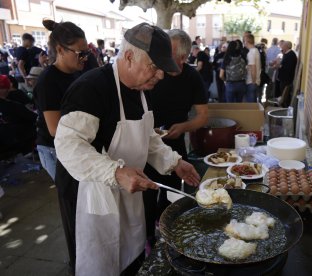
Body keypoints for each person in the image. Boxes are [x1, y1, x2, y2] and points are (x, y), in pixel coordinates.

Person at [54, 23, 200, 276]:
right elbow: (69, 145)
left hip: (127, 189)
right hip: (89, 195)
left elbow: (148, 139)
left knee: (129, 255)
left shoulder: (141, 91)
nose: (161, 76)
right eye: (155, 67)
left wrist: (174, 162)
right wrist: (116, 173)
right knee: (96, 262)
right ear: (130, 56)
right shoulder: (91, 88)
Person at [33, 18, 89, 275]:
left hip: (77, 146)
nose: (84, 58)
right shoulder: (48, 82)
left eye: (87, 53)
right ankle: (78, 263)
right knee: (72, 206)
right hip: (56, 151)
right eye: (80, 53)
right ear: (60, 50)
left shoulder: (78, 73)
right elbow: (56, 129)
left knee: (83, 205)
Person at [143, 29, 208, 247]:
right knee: (146, 196)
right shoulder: (152, 72)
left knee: (170, 195)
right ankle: (147, 240)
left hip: (175, 145)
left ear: (182, 57)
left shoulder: (192, 77)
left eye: (167, 52)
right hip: (145, 145)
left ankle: (167, 236)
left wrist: (184, 127)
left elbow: (203, 116)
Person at [274, 41, 297, 107]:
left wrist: (279, 66)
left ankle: (285, 108)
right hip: (283, 78)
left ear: (287, 46)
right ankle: (283, 107)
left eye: (283, 45)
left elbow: (288, 68)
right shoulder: (286, 54)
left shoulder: (291, 55)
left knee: (285, 96)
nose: (281, 47)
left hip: (286, 79)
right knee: (282, 95)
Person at [244, 34, 261, 102]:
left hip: (251, 82)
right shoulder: (256, 50)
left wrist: (253, 81)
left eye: (244, 40)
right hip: (255, 81)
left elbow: (253, 67)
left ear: (247, 41)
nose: (244, 42)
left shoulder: (251, 52)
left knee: (251, 106)